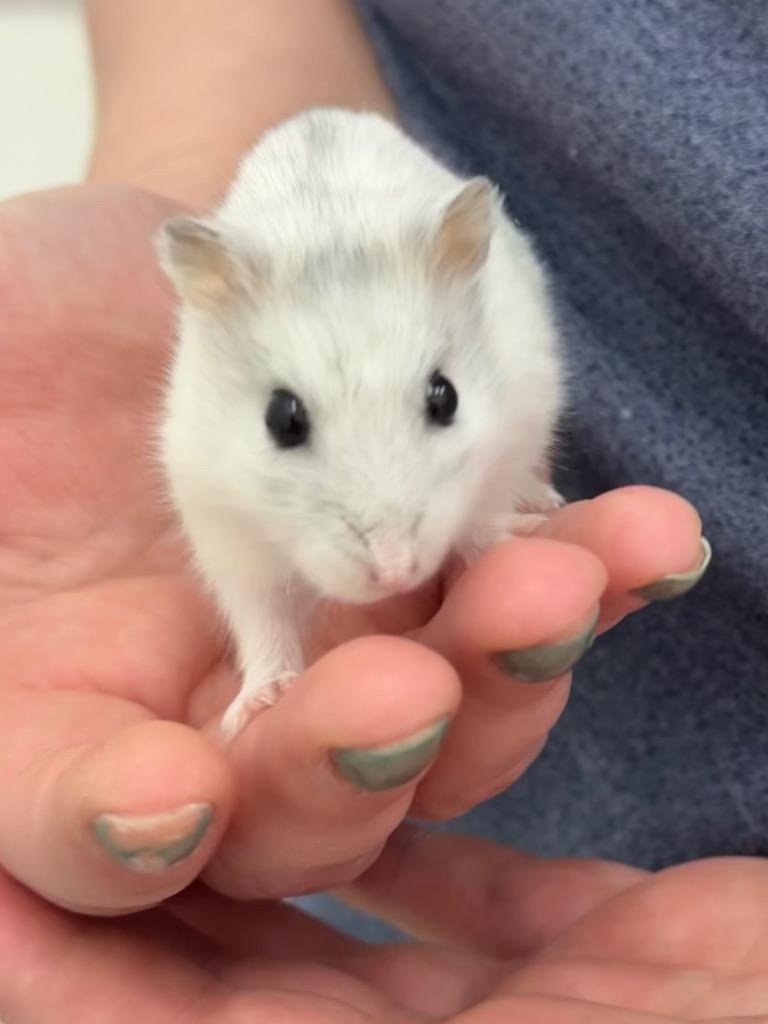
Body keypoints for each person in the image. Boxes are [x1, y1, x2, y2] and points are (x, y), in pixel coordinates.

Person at [0, 0, 762, 1020]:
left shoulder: (465, 275)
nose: (388, 551)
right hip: (410, 873)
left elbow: (514, 356)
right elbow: (226, 529)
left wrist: (489, 498)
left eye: (436, 403)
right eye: (288, 420)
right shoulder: (212, 350)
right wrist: (269, 654)